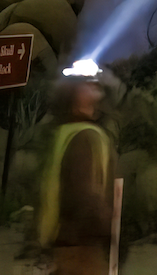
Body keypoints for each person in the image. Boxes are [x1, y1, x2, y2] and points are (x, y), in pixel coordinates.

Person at [38, 68, 122, 275]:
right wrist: (110, 232)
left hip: (61, 241)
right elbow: (85, 195)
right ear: (75, 94)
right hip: (84, 247)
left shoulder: (62, 132)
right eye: (89, 85)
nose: (97, 90)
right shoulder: (86, 136)